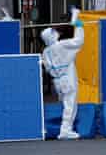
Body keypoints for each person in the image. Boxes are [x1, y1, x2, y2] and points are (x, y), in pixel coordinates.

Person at [41, 8, 85, 140]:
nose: (56, 33)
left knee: (67, 103)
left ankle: (66, 129)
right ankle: (65, 130)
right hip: (68, 77)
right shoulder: (61, 46)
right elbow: (78, 41)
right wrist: (78, 25)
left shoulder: (46, 52)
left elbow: (47, 68)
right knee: (70, 104)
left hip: (58, 81)